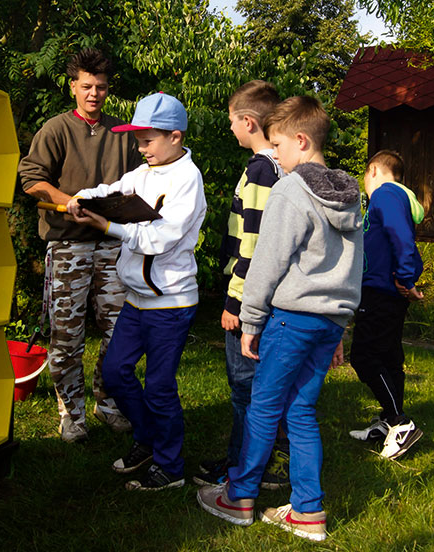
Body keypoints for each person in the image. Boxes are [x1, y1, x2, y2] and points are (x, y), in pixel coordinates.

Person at [197, 96, 363, 542]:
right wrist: (342, 324)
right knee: (302, 411)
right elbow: (351, 268)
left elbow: (267, 260)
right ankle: (308, 511)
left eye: (278, 145)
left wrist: (250, 320)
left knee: (263, 407)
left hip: (290, 318)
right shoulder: (350, 193)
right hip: (329, 320)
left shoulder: (291, 188)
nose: (274, 155)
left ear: (301, 140)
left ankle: (240, 496)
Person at [66, 92, 206, 490]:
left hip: (172, 302)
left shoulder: (187, 180)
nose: (140, 148)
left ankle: (171, 468)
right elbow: (111, 190)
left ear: (175, 137)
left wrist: (107, 227)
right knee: (114, 372)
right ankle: (148, 439)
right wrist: (82, 199)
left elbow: (162, 238)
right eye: (138, 140)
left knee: (160, 386)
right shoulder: (143, 174)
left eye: (147, 140)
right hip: (136, 299)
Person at [18, 48, 140, 443]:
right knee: (66, 335)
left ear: (108, 90)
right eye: (86, 86)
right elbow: (31, 179)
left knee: (119, 331)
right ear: (72, 87)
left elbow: (142, 180)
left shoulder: (122, 134)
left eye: (101, 87)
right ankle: (71, 414)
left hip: (111, 245)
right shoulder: (55, 129)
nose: (94, 94)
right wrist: (64, 200)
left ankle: (108, 404)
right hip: (68, 245)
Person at [194, 80, 290, 489]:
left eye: (232, 121)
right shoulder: (282, 166)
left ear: (248, 121)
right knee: (265, 385)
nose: (230, 129)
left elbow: (253, 244)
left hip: (251, 298)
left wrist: (235, 303)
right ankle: (262, 461)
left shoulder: (257, 172)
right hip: (274, 297)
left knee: (245, 388)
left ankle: (243, 468)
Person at [349, 150, 424, 459]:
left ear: (374, 171)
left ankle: (400, 423)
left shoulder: (385, 194)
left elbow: (402, 238)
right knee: (390, 358)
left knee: (364, 357)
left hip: (380, 293)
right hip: (385, 293)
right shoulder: (395, 198)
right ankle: (387, 421)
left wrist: (406, 278)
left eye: (365, 178)